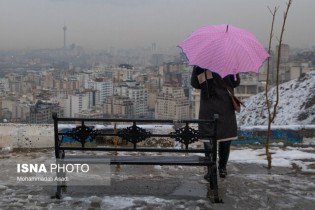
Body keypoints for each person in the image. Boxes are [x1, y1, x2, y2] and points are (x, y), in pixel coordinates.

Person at [191, 66, 240, 178]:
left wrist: (198, 70)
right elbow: (236, 83)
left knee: (208, 139)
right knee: (225, 139)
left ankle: (210, 169)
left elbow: (195, 84)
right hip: (225, 106)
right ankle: (222, 168)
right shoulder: (229, 63)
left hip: (208, 107)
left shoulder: (201, 64)